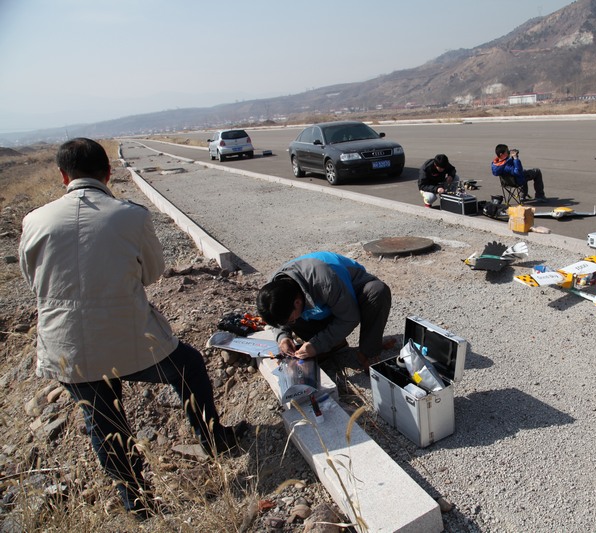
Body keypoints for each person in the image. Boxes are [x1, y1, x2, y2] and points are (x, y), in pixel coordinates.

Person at [19, 138, 243, 518]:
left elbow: (33, 280)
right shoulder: (131, 215)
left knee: (103, 421)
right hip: (131, 339)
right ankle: (214, 440)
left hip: (66, 347)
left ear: (62, 176)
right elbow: (153, 273)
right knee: (188, 365)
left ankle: (137, 504)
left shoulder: (34, 220)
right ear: (108, 173)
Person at [257, 251, 392, 370]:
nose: (290, 323)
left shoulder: (325, 281)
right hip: (324, 303)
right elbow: (279, 319)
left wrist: (316, 345)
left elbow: (350, 318)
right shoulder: (273, 289)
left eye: (289, 320)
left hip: (351, 292)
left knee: (377, 292)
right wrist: (283, 337)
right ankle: (335, 344)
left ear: (297, 302)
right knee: (293, 318)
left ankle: (368, 353)